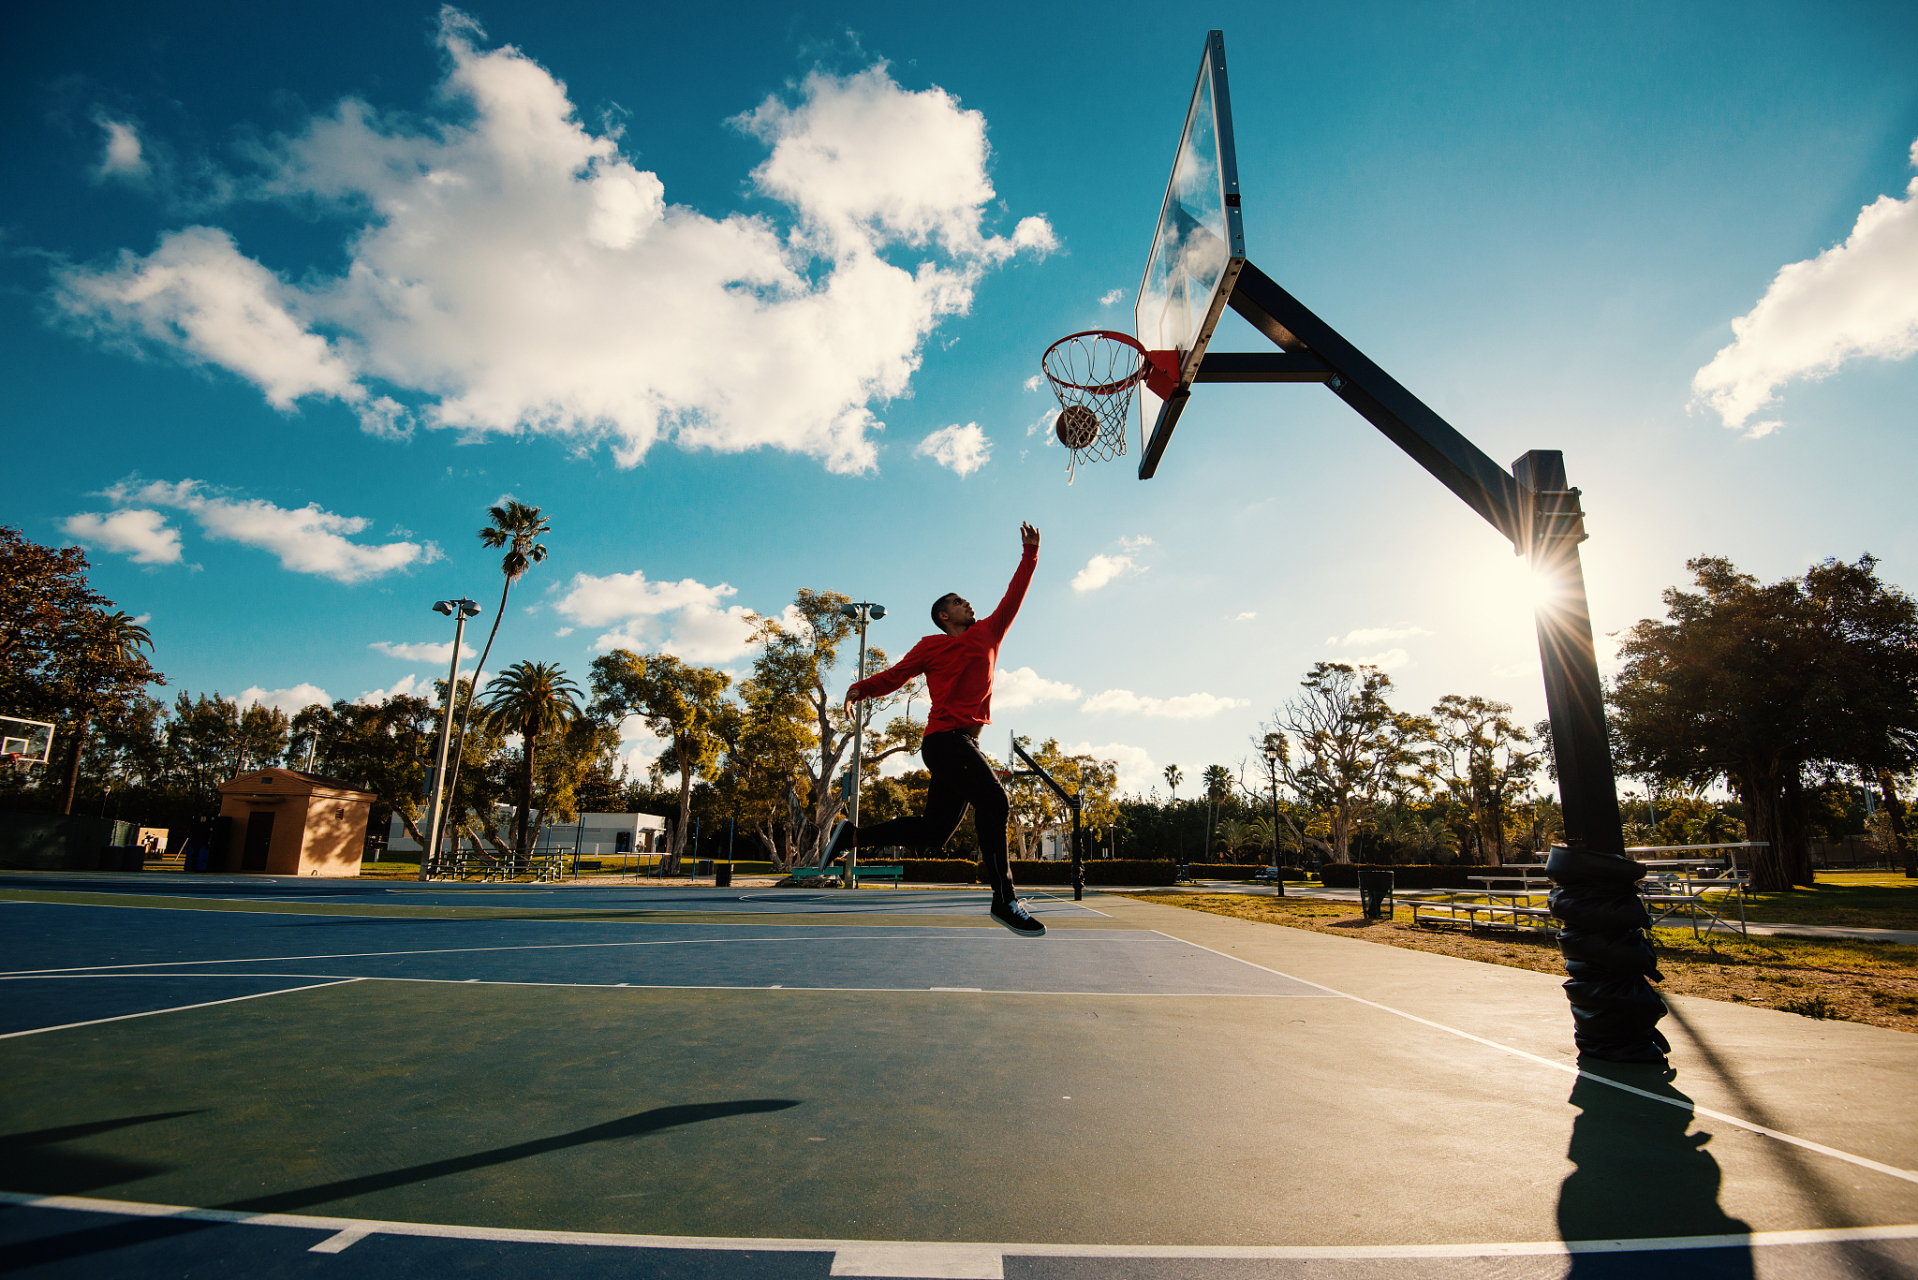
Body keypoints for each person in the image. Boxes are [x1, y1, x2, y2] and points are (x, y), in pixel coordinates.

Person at [834, 521, 1046, 936]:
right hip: (943, 741)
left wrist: (1031, 552)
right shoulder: (930, 646)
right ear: (943, 615)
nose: (968, 604)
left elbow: (1014, 596)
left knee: (934, 832)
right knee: (996, 803)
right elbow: (895, 676)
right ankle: (1004, 900)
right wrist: (858, 689)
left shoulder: (988, 631)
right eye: (959, 602)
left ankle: (852, 837)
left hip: (964, 744)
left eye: (967, 600)